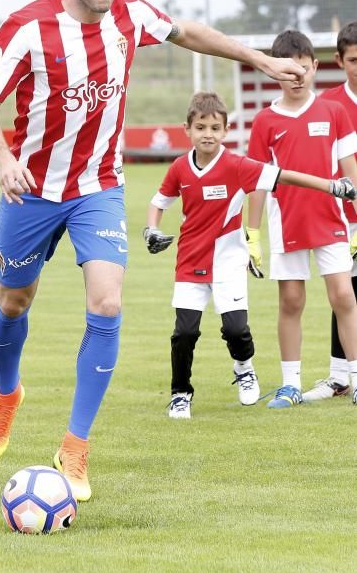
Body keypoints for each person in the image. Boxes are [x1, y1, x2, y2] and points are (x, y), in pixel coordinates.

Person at [0, 0, 306, 502]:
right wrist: (2, 159)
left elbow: (188, 32)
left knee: (107, 301)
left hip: (99, 187)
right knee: (12, 301)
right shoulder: (28, 27)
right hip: (33, 188)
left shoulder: (129, 13)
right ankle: (7, 394)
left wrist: (260, 60)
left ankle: (75, 448)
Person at [143, 91, 356, 418]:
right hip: (189, 262)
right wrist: (151, 229)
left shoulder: (237, 165)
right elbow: (159, 202)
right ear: (187, 129)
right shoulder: (179, 168)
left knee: (236, 330)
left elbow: (284, 175)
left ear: (226, 131)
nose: (208, 134)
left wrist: (332, 186)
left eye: (215, 128)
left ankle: (244, 368)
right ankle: (180, 393)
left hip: (228, 263)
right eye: (200, 128)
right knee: (184, 333)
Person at [246, 30, 357, 409]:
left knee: (343, 295)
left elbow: (349, 168)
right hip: (286, 223)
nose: (296, 78)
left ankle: (355, 380)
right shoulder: (264, 122)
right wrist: (253, 232)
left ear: (314, 68)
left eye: (303, 70)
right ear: (275, 73)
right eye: (288, 72)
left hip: (331, 221)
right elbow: (258, 182)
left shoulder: (333, 111)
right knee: (291, 300)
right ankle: (291, 385)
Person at [302, 22, 357, 401]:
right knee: (345, 294)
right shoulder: (330, 105)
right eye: (353, 59)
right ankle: (340, 377)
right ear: (338, 60)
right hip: (341, 217)